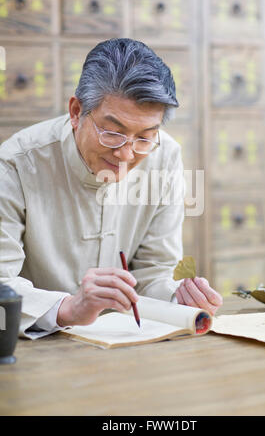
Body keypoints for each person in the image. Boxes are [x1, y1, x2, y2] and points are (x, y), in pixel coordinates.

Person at [0, 38, 222, 339]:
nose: (127, 154)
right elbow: (2, 284)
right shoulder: (15, 164)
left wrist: (179, 299)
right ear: (77, 111)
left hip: (126, 343)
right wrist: (69, 307)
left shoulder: (165, 156)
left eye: (144, 137)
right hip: (38, 348)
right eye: (113, 133)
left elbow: (153, 273)